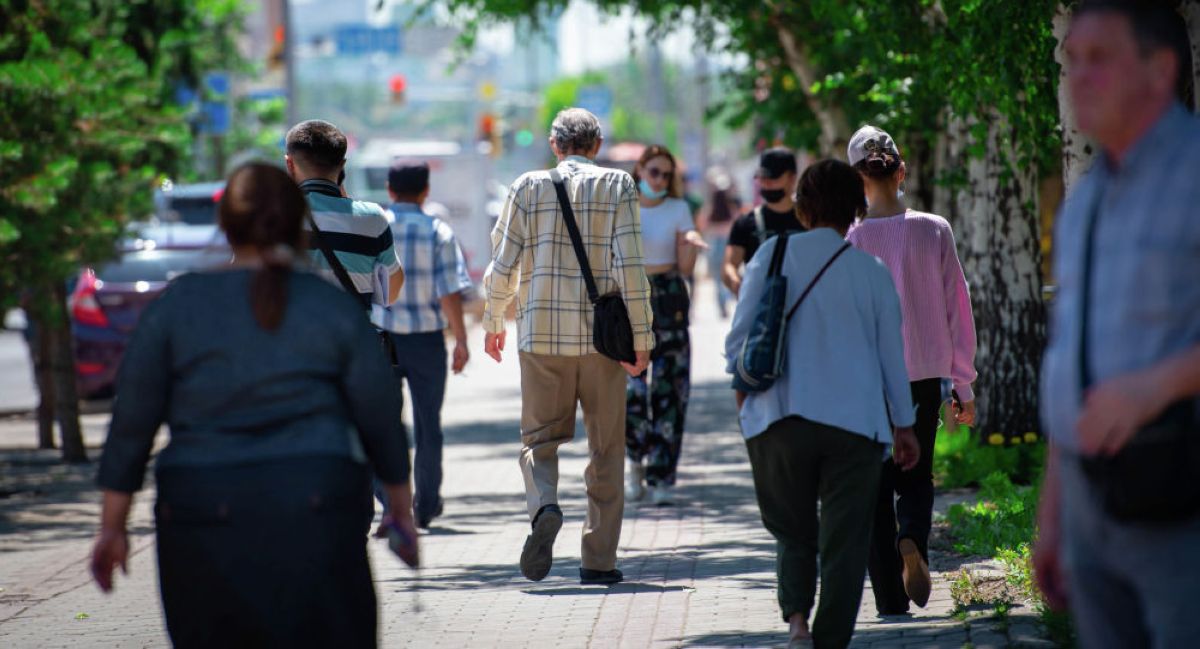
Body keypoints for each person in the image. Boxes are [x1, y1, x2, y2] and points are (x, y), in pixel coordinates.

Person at [90, 163, 417, 648]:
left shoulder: (178, 305)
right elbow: (379, 415)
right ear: (294, 223)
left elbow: (131, 424)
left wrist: (112, 528)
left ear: (225, 223)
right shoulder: (330, 307)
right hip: (318, 501)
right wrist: (401, 511)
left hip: (200, 505)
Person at [1034, 3, 1200, 647]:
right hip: (1088, 505)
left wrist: (1155, 386)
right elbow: (1071, 357)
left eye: (1099, 59)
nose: (1078, 76)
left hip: (1178, 495)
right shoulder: (1088, 199)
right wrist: (1053, 516)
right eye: (1070, 60)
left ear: (1160, 70)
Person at [726, 159, 919, 649]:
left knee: (793, 532)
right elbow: (892, 361)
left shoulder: (770, 255)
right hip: (855, 427)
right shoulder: (871, 273)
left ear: (802, 206)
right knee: (845, 541)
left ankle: (797, 626)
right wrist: (905, 426)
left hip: (777, 418)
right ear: (856, 208)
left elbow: (738, 344)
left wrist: (744, 401)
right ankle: (831, 640)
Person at [482, 108, 654, 586]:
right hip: (604, 343)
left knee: (540, 441)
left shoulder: (526, 186)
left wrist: (493, 320)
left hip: (540, 337)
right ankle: (598, 563)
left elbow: (502, 263)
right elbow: (632, 267)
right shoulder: (619, 184)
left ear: (555, 146)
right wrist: (643, 339)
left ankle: (545, 505)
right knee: (606, 449)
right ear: (596, 144)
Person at [845, 125, 979, 614]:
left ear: (858, 178)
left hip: (866, 377)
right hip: (923, 372)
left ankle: (888, 599)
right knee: (917, 473)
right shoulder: (933, 228)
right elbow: (956, 306)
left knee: (874, 485)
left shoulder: (850, 238)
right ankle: (913, 541)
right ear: (902, 170)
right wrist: (962, 381)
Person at [371, 161, 473, 529]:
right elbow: (449, 292)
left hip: (381, 338)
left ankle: (388, 503)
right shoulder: (439, 231)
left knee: (383, 423)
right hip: (427, 342)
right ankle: (426, 505)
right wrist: (461, 339)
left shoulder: (374, 225)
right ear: (426, 191)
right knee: (429, 424)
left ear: (389, 188)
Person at [624, 145, 708, 506]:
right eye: (654, 172)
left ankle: (661, 476)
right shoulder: (621, 205)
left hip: (669, 294)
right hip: (629, 296)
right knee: (631, 389)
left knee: (670, 389)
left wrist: (690, 245)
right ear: (640, 170)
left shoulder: (678, 208)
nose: (659, 179)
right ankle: (634, 462)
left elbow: (686, 268)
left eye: (666, 175)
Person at [285, 119, 404, 307]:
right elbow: (393, 291)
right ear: (342, 165)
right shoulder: (372, 218)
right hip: (352, 334)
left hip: (291, 335)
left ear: (289, 164)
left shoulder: (271, 215)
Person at [722, 147, 804, 296]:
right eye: (762, 178)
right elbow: (729, 265)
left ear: (792, 178)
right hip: (764, 310)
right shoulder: (745, 223)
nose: (766, 183)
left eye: (773, 178)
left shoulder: (811, 219)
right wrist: (736, 282)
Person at [696, 169, 739, 318]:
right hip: (727, 246)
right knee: (726, 276)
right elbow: (737, 225)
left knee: (716, 280)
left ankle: (722, 305)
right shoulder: (731, 210)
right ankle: (727, 301)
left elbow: (702, 225)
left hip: (713, 246)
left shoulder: (709, 209)